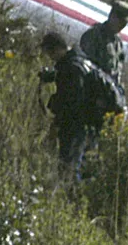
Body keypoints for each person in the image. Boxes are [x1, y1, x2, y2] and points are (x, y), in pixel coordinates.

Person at [38, 32, 97, 180]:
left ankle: (70, 189)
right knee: (77, 162)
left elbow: (70, 101)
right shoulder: (78, 60)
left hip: (74, 125)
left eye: (51, 53)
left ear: (57, 49)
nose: (51, 58)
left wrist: (57, 122)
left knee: (69, 165)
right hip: (86, 124)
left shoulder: (71, 68)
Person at [79, 0, 128, 86]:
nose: (123, 26)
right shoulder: (94, 35)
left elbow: (116, 68)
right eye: (121, 21)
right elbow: (82, 64)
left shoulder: (118, 42)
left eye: (125, 23)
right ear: (112, 17)